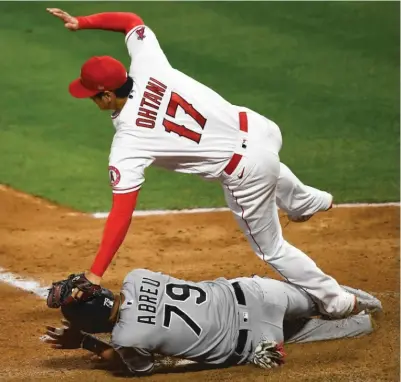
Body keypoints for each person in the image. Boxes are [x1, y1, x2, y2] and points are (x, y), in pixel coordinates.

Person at [45, 8, 375, 318]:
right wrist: (83, 22)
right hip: (259, 127)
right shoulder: (148, 65)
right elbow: (131, 20)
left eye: (90, 94)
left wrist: (95, 273)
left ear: (106, 95)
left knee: (270, 249)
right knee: (264, 161)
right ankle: (306, 201)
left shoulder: (128, 142)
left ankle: (336, 301)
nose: (89, 99)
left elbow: (122, 212)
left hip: (246, 170)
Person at [44, 268, 379, 376]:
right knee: (317, 297)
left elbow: (128, 367)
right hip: (258, 292)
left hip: (259, 340)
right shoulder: (136, 277)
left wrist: (84, 341)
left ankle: (361, 325)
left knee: (301, 333)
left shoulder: (128, 337)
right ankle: (362, 301)